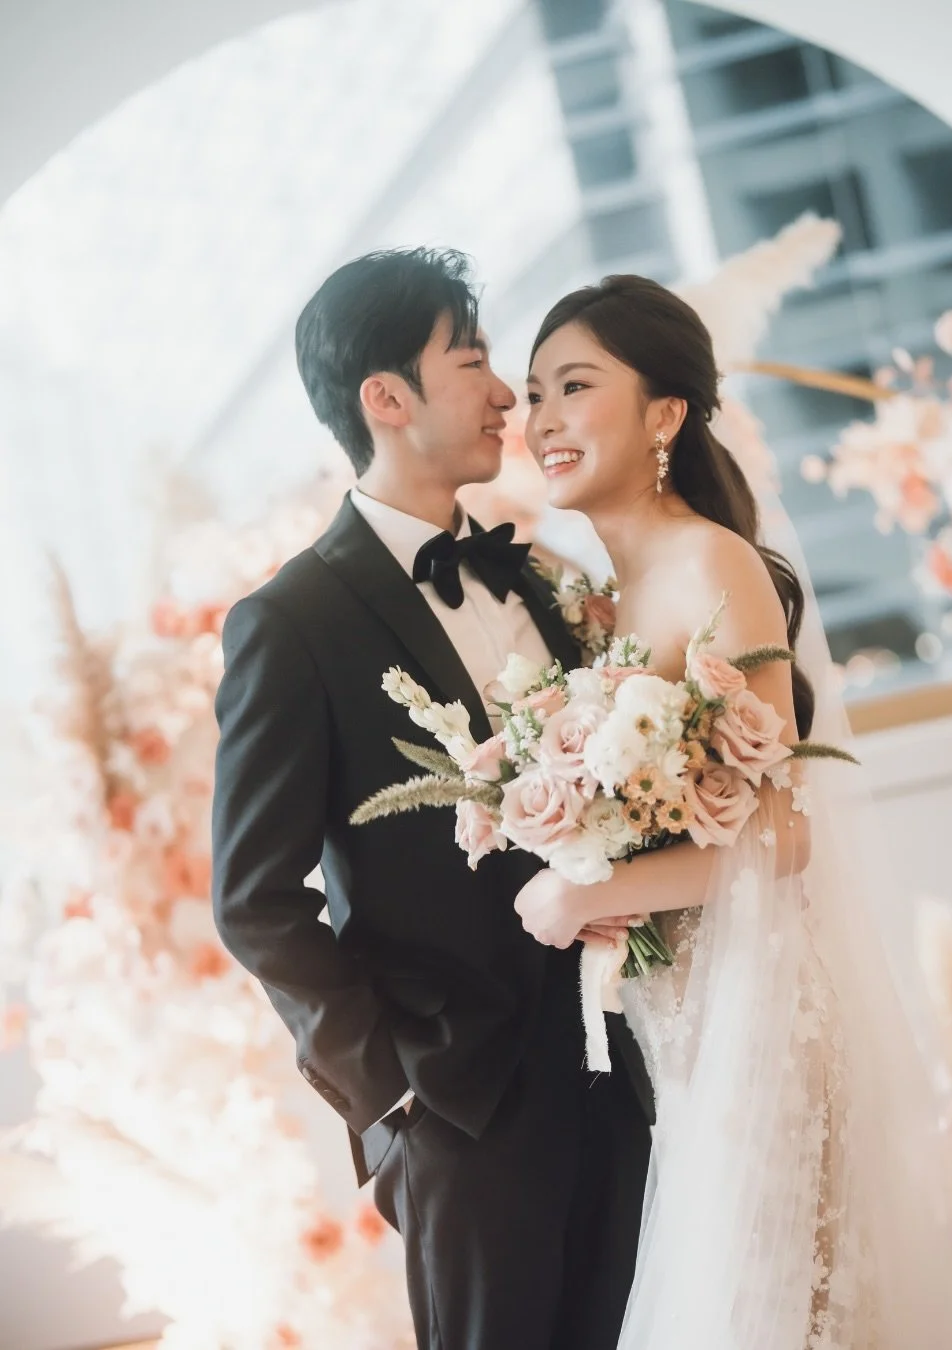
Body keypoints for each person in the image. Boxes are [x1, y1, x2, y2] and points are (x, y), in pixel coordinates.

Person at [515, 274, 952, 1348]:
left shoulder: (710, 560)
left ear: (664, 414)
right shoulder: (602, 597)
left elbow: (781, 830)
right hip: (680, 1024)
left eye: (575, 386)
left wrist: (585, 889)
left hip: (759, 1015)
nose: (543, 418)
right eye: (533, 392)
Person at [210, 248, 652, 1350]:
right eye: (474, 360)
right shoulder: (292, 623)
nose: (507, 395)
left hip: (618, 1063)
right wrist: (393, 1093)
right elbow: (254, 899)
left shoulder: (538, 573)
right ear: (388, 399)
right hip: (462, 1104)